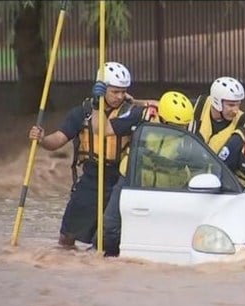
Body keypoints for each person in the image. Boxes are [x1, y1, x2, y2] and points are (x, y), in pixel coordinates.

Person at [27, 62, 154, 249]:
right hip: (91, 177)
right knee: (67, 238)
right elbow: (57, 140)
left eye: (123, 91)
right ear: (102, 89)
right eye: (115, 91)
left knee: (107, 241)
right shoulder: (81, 113)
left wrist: (133, 100)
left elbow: (101, 128)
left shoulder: (132, 113)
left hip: (118, 179)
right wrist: (42, 139)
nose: (119, 96)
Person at [100, 90, 197, 257]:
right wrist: (97, 105)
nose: (180, 129)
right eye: (175, 126)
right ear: (162, 117)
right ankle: (109, 259)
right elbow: (103, 129)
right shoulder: (142, 116)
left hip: (166, 189)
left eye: (183, 126)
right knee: (110, 225)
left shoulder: (191, 133)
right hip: (132, 180)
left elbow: (200, 164)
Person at [189, 76, 245, 179]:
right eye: (231, 105)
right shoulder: (199, 106)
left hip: (219, 183)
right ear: (217, 102)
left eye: (238, 105)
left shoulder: (243, 122)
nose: (236, 110)